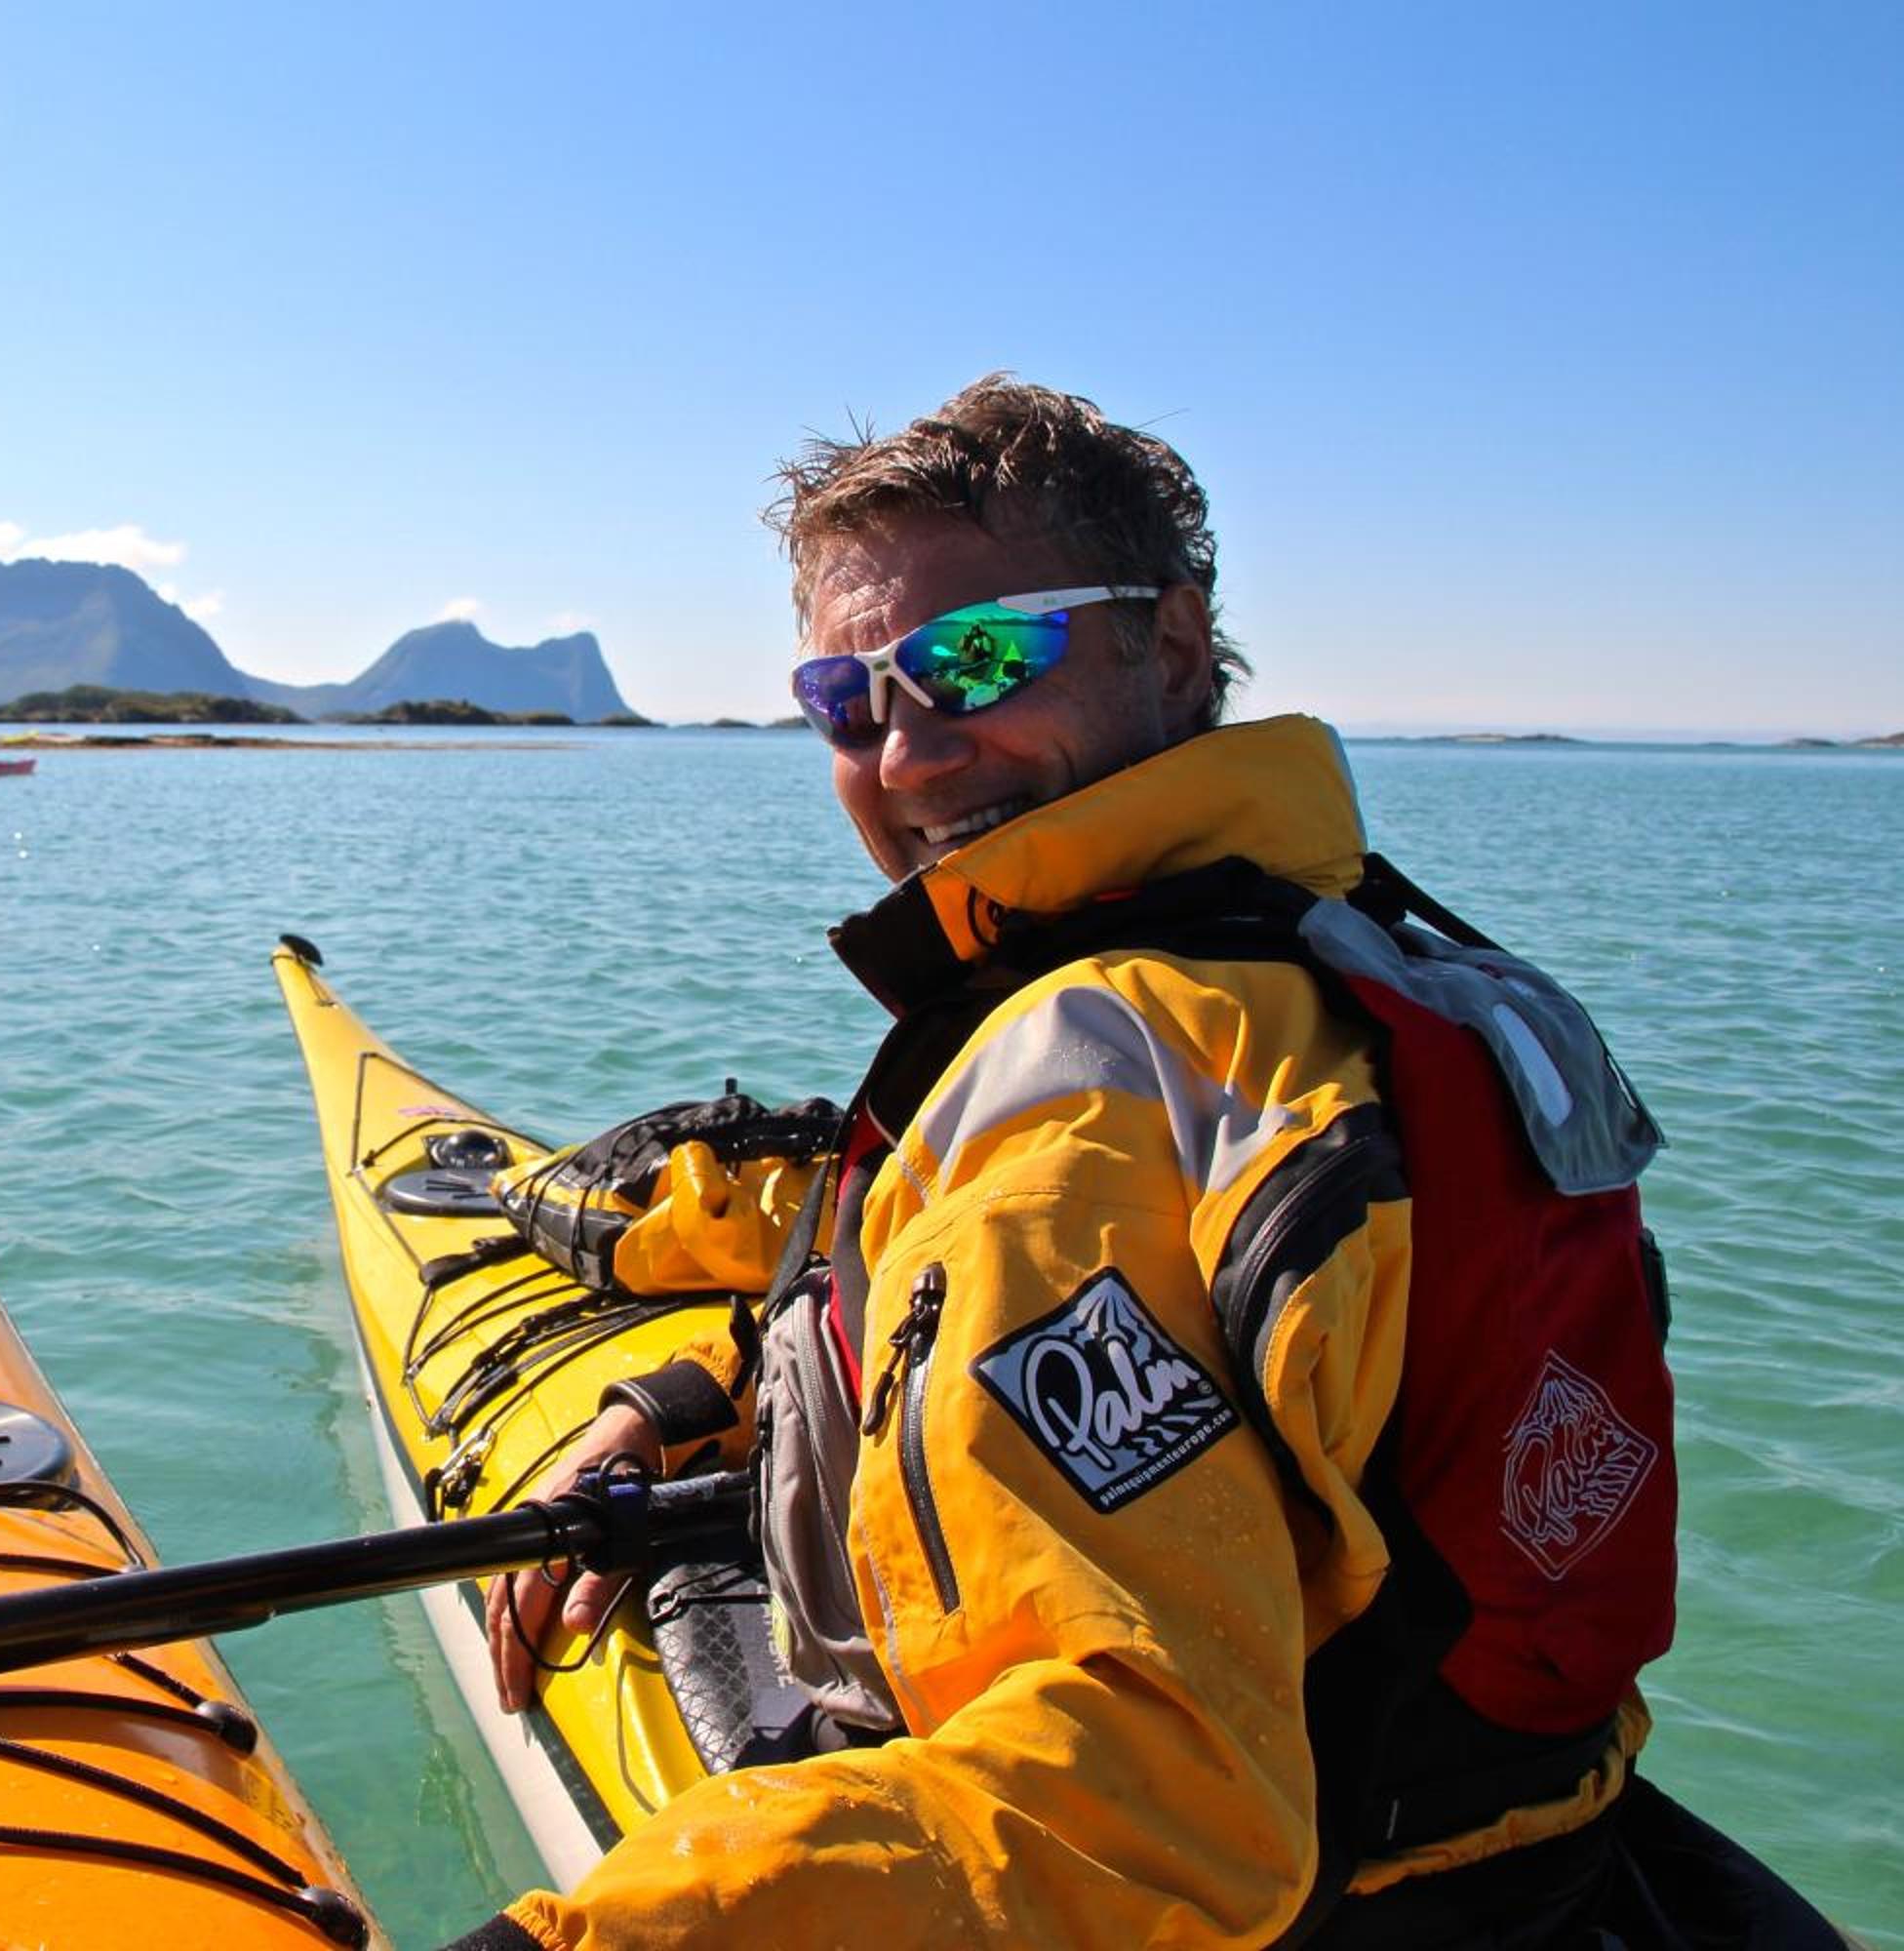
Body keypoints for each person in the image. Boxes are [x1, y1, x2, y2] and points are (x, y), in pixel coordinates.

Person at [455, 377, 1834, 1948]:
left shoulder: (1090, 1081)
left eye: (979, 660)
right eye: (846, 697)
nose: (906, 754)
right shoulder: (1371, 966)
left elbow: (1157, 1805)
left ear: (1171, 649)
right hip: (1528, 1853)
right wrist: (687, 1400)